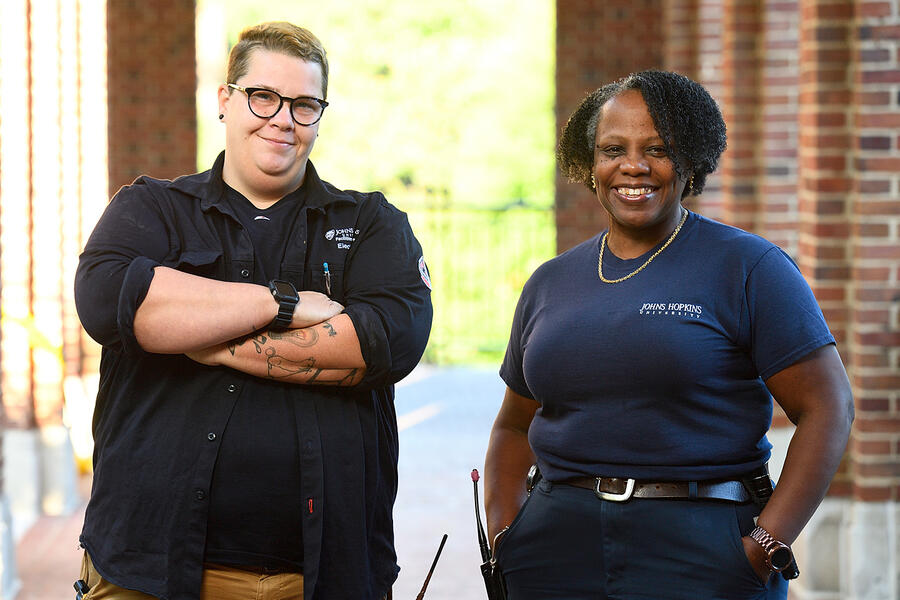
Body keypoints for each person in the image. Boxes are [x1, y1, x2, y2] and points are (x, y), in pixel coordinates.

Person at [74, 21, 432, 600]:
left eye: (304, 104)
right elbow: (108, 304)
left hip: (319, 575)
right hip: (149, 569)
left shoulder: (370, 224)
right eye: (263, 96)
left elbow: (384, 343)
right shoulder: (151, 209)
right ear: (225, 100)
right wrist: (281, 302)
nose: (283, 119)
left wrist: (195, 335)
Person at [483, 70, 853, 599]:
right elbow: (514, 426)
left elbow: (829, 406)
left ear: (691, 160)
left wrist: (764, 545)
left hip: (705, 549)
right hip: (554, 550)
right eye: (613, 149)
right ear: (590, 163)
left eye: (657, 148)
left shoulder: (749, 267)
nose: (633, 166)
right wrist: (507, 533)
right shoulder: (550, 282)